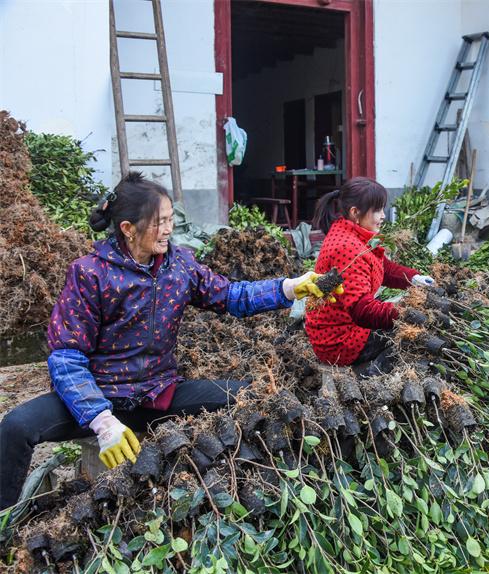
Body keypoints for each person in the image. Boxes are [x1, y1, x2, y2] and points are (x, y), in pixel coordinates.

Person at [0, 173, 330, 510]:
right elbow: (66, 356)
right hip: (101, 399)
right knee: (15, 427)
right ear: (128, 228)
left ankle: (236, 495)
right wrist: (101, 419)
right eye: (160, 222)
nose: (169, 229)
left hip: (157, 395)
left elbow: (230, 295)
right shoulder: (89, 273)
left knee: (247, 394)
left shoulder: (180, 264)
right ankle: (5, 522)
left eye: (171, 220)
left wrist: (288, 288)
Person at [305, 177, 435, 372]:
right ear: (355, 212)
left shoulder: (351, 233)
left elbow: (382, 268)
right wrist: (406, 313)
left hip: (341, 329)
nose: (383, 216)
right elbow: (362, 310)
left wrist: (415, 278)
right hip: (340, 342)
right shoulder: (347, 248)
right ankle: (368, 373)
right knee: (413, 336)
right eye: (377, 210)